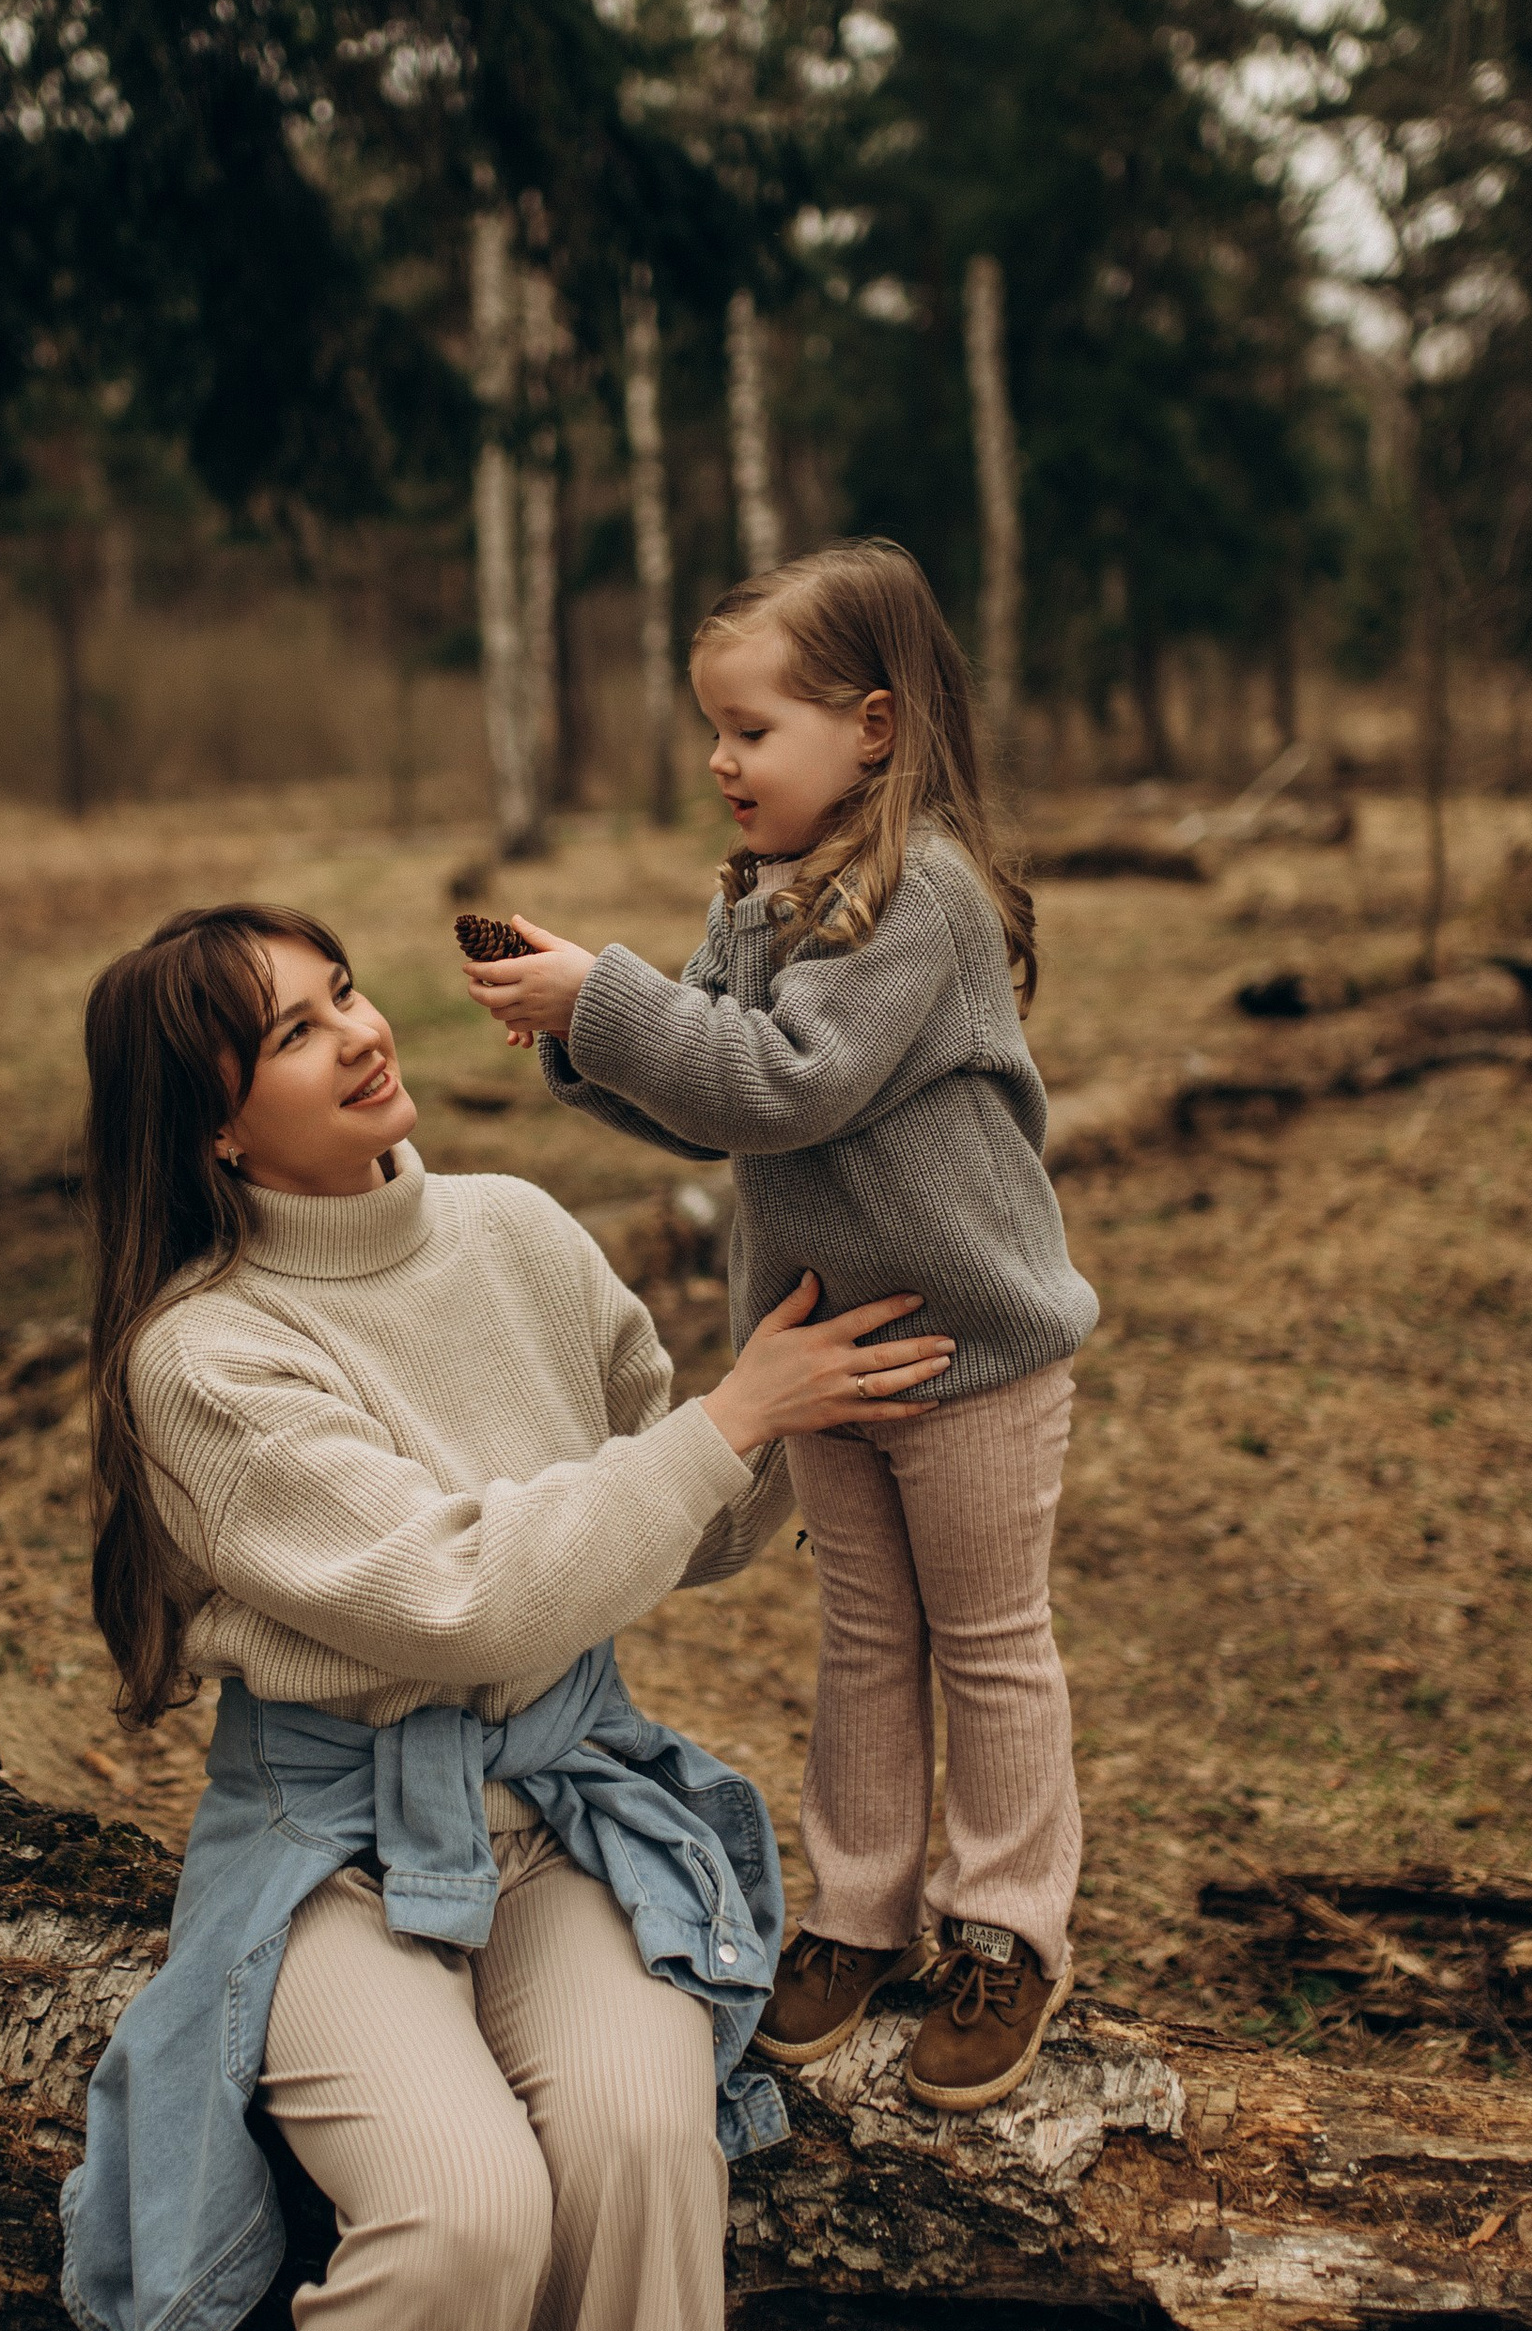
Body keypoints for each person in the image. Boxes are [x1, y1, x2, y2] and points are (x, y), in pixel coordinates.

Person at [57, 902, 954, 2331]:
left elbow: (683, 1490)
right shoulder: (202, 1355)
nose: (357, 1035)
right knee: (461, 2207)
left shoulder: (520, 1232)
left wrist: (833, 1365)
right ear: (208, 1129)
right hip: (334, 1853)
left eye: (343, 990)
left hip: (572, 1805)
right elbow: (459, 1595)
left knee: (641, 2140)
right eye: (289, 1033)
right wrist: (724, 1424)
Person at [463, 538, 1098, 2112]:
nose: (720, 760)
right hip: (825, 1351)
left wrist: (602, 1000)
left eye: (753, 729)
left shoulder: (922, 897)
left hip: (969, 1354)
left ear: (870, 728)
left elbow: (785, 1079)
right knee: (870, 1637)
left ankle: (1009, 1928)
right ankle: (861, 1911)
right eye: (715, 730)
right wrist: (584, 1032)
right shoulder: (755, 898)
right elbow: (717, 1115)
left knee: (991, 1643)